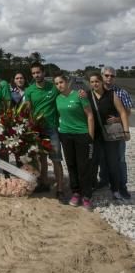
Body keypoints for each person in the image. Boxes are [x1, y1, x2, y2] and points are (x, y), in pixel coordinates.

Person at [24, 63, 65, 200]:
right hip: (38, 129)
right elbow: (28, 109)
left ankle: (59, 188)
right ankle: (44, 183)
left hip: (52, 129)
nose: (36, 75)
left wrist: (82, 94)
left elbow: (66, 93)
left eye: (38, 72)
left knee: (56, 159)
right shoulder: (29, 90)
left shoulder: (53, 87)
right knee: (41, 159)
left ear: (43, 72)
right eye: (33, 73)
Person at [54, 73, 95, 210]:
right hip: (65, 135)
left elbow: (90, 115)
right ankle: (76, 192)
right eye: (57, 83)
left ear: (67, 82)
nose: (59, 85)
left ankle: (87, 196)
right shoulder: (58, 98)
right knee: (71, 165)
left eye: (61, 82)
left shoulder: (79, 95)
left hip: (82, 134)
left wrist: (90, 136)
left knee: (83, 166)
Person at [88, 72, 129, 202]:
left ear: (101, 82)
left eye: (97, 81)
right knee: (94, 161)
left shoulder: (112, 95)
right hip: (95, 134)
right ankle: (93, 185)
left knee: (113, 162)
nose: (95, 84)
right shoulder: (88, 96)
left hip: (111, 133)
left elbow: (123, 113)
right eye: (92, 82)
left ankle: (115, 189)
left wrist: (126, 131)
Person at [100, 66, 132, 200]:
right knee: (103, 158)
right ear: (102, 76)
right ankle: (104, 182)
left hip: (116, 129)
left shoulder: (121, 92)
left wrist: (118, 119)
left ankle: (122, 186)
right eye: (106, 75)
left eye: (112, 76)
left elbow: (128, 112)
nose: (109, 78)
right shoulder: (97, 91)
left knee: (120, 159)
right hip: (101, 130)